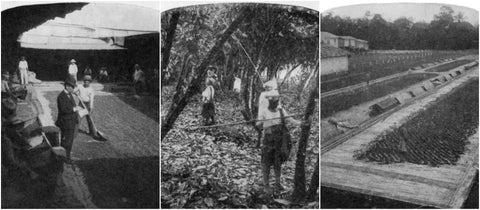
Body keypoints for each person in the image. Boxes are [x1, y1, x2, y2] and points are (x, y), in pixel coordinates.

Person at [256, 90, 303, 194]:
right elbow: (258, 124)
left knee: (278, 163)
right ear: (269, 101)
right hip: (268, 141)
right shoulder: (264, 111)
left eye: (277, 101)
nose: (276, 103)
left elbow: (290, 120)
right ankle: (266, 185)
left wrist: (301, 123)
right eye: (273, 101)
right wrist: (260, 123)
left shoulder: (281, 111)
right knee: (266, 163)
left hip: (279, 141)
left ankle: (278, 183)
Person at [55, 78, 82, 162]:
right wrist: (74, 109)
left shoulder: (70, 94)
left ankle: (67, 156)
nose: (73, 89)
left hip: (71, 121)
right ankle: (64, 157)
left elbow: (72, 105)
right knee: (66, 141)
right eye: (72, 87)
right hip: (65, 122)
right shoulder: (61, 96)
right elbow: (64, 110)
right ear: (67, 86)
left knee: (70, 140)